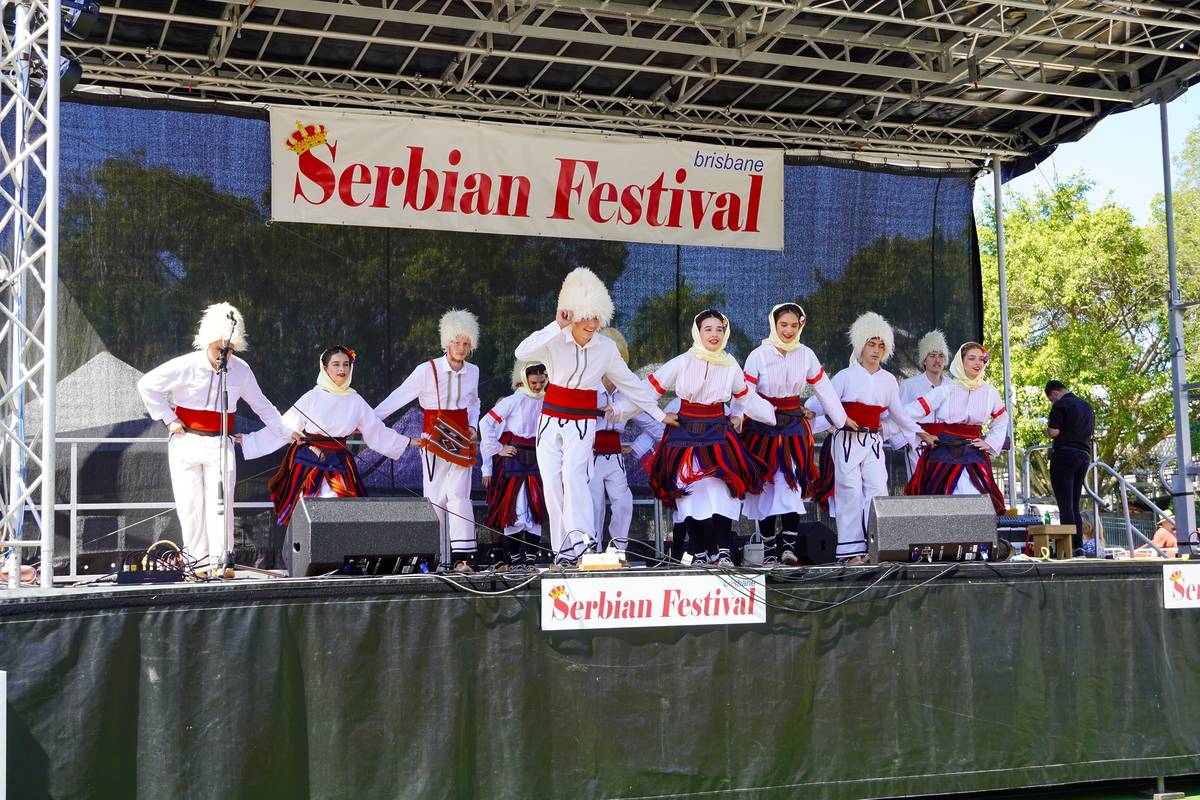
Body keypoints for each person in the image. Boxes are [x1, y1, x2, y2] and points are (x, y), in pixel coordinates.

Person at [514, 268, 669, 569]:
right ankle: (563, 551)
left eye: (597, 319)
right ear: (574, 316)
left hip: (582, 423)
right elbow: (522, 350)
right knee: (552, 483)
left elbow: (632, 385)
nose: (593, 325)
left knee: (574, 478)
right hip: (550, 420)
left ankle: (583, 545)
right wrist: (555, 324)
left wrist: (661, 415)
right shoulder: (555, 339)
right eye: (587, 319)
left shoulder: (606, 348)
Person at [136, 302, 297, 574]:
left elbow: (262, 405)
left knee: (222, 503)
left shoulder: (241, 370)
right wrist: (168, 418)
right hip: (186, 441)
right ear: (207, 342)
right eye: (219, 348)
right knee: (190, 505)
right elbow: (147, 385)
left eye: (230, 349)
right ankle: (196, 563)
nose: (224, 354)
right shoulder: (186, 364)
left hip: (220, 442)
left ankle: (222, 561)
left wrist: (286, 432)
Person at [643, 309, 775, 567]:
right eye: (708, 329)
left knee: (722, 490)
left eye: (719, 329)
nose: (714, 334)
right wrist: (660, 416)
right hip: (685, 434)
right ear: (698, 332)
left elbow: (744, 396)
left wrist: (771, 414)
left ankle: (724, 550)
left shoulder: (730, 364)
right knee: (690, 492)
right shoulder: (683, 361)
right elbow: (647, 390)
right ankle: (701, 552)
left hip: (718, 432)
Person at [239, 346, 410, 532]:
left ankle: (336, 555)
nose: (341, 369)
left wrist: (406, 442)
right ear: (325, 368)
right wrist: (250, 441)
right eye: (335, 364)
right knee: (309, 510)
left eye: (346, 364)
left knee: (341, 510)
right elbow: (284, 426)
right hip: (309, 460)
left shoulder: (356, 400)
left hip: (340, 461)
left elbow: (375, 430)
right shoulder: (312, 397)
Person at [806, 312, 918, 565]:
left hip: (873, 443)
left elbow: (899, 414)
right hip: (846, 441)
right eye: (871, 344)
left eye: (881, 346)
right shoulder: (846, 376)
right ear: (860, 345)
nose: (876, 350)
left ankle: (878, 546)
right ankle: (849, 553)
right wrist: (810, 411)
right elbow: (824, 400)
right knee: (849, 492)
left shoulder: (889, 380)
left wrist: (919, 434)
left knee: (878, 490)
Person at [741, 302, 846, 565]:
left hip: (794, 430)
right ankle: (767, 554)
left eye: (793, 325)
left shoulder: (806, 354)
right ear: (773, 324)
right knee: (764, 487)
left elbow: (825, 389)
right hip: (762, 429)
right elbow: (744, 395)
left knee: (792, 485)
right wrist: (736, 419)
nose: (788, 330)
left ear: (801, 325)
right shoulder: (758, 355)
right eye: (783, 324)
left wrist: (842, 420)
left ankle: (787, 549)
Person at [377, 310, 481, 572]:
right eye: (456, 342)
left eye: (466, 343)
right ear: (446, 342)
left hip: (461, 442)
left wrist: (472, 426)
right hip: (434, 440)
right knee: (434, 499)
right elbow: (399, 396)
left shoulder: (473, 371)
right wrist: (368, 420)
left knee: (459, 497)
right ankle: (430, 558)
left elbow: (474, 402)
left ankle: (461, 559)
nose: (461, 348)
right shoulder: (427, 369)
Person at [901, 342, 1008, 514]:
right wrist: (923, 435)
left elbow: (1002, 418)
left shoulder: (989, 392)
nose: (977, 363)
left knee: (978, 501)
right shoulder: (946, 390)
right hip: (945, 452)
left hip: (974, 452)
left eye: (981, 359)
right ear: (961, 362)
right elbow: (906, 413)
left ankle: (977, 541)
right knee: (943, 504)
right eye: (971, 358)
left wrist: (990, 442)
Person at [590, 328, 665, 554]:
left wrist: (636, 447)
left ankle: (618, 551)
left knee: (623, 503)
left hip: (614, 458)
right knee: (594, 506)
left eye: (618, 360)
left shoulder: (628, 393)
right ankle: (592, 552)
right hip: (589, 457)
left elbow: (655, 427)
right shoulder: (588, 388)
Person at [480, 361, 549, 571]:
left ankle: (530, 562)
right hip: (515, 457)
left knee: (536, 510)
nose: (537, 386)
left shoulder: (548, 399)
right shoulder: (514, 400)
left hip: (538, 457)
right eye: (534, 382)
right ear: (525, 379)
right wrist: (498, 448)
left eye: (541, 381)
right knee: (515, 511)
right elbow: (486, 423)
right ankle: (517, 563)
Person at [1044, 379, 1095, 551]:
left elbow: (1054, 431)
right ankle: (1078, 544)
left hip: (1065, 454)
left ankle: (1068, 545)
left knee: (1064, 503)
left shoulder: (1061, 405)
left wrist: (1047, 431)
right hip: (1084, 455)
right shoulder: (1087, 406)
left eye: (1051, 399)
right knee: (1074, 502)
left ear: (1055, 393)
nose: (1053, 401)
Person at [893, 330, 949, 479]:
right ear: (924, 360)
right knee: (920, 488)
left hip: (947, 447)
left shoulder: (953, 386)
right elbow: (897, 416)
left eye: (941, 356)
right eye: (932, 355)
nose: (937, 360)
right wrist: (907, 442)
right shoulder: (909, 385)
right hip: (919, 446)